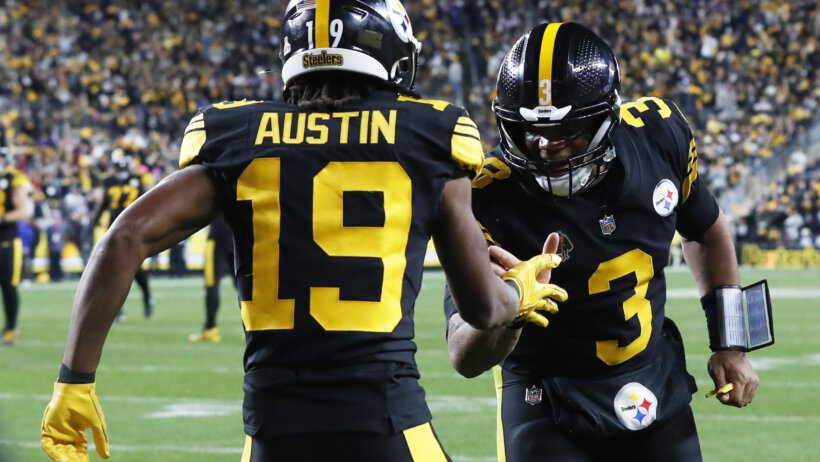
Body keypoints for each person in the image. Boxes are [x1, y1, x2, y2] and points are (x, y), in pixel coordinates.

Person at [39, 2, 567, 461]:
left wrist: (74, 380)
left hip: (272, 431)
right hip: (385, 422)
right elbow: (481, 309)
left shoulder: (239, 135)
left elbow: (124, 238)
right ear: (393, 52)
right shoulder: (430, 134)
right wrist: (516, 293)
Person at [443, 22, 762, 461]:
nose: (545, 145)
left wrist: (731, 342)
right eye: (530, 131)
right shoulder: (482, 191)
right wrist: (513, 307)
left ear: (604, 117)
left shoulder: (659, 134)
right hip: (546, 396)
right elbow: (464, 357)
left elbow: (706, 229)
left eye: (567, 130)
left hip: (653, 378)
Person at [90, 152, 154, 320]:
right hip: (114, 229)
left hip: (133, 229)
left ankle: (147, 298)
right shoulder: (109, 182)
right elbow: (104, 203)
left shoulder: (136, 180)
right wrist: (94, 220)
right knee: (114, 269)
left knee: (136, 269)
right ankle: (118, 310)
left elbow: (147, 203)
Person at [0, 149, 31, 345]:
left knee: (8, 286)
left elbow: (24, 211)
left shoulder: (13, 179)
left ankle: (10, 329)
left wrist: (2, 218)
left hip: (7, 239)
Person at [189, 213, 234, 342]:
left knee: (211, 283)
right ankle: (255, 329)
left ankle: (210, 327)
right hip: (236, 234)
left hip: (217, 235)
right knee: (243, 283)